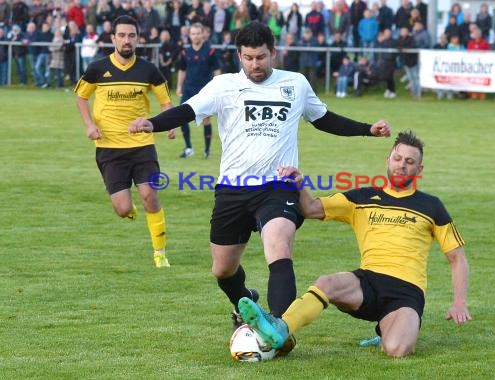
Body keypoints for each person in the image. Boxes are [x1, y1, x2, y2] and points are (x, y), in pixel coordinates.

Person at [128, 21, 392, 350]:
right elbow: (187, 110)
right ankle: (246, 300)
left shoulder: (295, 84)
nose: (256, 64)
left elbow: (323, 119)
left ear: (274, 53)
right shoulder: (224, 86)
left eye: (262, 57)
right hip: (233, 189)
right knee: (223, 270)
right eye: (249, 58)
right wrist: (150, 123)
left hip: (278, 186)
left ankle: (279, 328)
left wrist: (369, 129)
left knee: (279, 247)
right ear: (239, 55)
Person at [238, 130, 472, 358]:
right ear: (388, 160)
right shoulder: (361, 198)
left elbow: (457, 257)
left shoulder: (432, 206)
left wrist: (459, 302)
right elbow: (311, 209)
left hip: (407, 292)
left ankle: (388, 328)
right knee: (326, 282)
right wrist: (298, 183)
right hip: (367, 283)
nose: (402, 165)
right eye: (398, 158)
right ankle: (280, 328)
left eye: (410, 162)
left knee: (397, 350)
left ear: (419, 169)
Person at [74, 15, 174, 268]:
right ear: (113, 38)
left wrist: (168, 124)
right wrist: (89, 125)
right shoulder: (97, 68)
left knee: (150, 195)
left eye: (131, 35)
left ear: (138, 39)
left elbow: (165, 101)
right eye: (122, 35)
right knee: (122, 209)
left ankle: (160, 252)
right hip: (108, 148)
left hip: (142, 146)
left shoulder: (148, 70)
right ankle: (129, 209)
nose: (126, 40)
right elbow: (81, 97)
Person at [176, 22, 221, 159]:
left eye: (198, 33)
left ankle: (207, 151)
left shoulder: (210, 51)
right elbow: (182, 70)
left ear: (203, 34)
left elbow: (217, 70)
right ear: (189, 35)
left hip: (205, 91)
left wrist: (218, 87)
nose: (196, 36)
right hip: (188, 89)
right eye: (193, 33)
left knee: (206, 120)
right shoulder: (185, 52)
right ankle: (189, 147)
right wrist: (179, 86)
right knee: (182, 118)